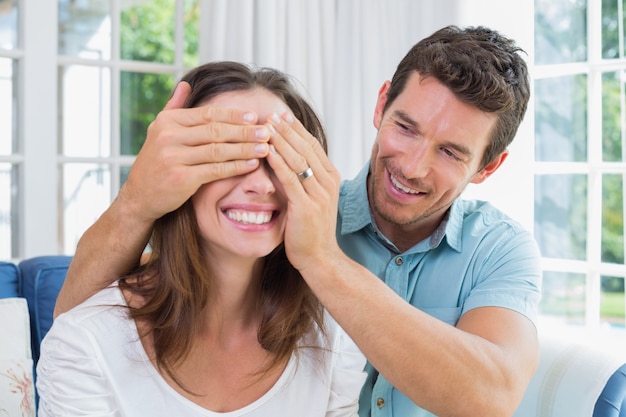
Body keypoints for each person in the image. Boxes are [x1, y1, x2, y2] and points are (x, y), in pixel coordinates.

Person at [54, 25, 542, 417]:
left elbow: (491, 397)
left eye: (451, 152)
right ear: (381, 104)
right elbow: (80, 328)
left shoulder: (500, 249)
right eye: (405, 127)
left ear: (488, 167)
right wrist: (140, 197)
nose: (412, 166)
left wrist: (322, 259)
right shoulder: (271, 217)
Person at [37, 61, 367, 416]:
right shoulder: (85, 345)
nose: (262, 184)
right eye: (230, 153)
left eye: (280, 157)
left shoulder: (333, 342)